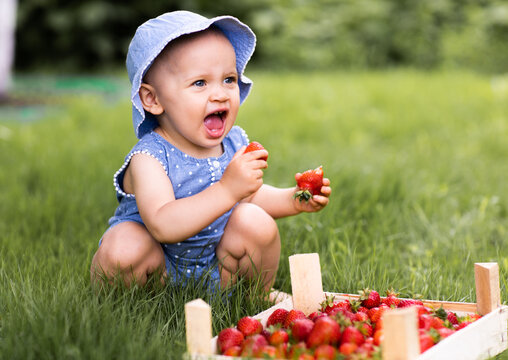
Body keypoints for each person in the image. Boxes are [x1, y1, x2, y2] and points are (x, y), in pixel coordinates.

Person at [90, 10, 331, 291]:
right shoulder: (149, 158)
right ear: (153, 99)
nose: (220, 93)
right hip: (158, 272)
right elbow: (162, 224)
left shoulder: (232, 143)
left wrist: (293, 200)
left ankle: (255, 297)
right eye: (200, 83)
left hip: (218, 270)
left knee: (254, 220)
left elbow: (250, 196)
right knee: (124, 247)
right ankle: (129, 307)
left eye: (229, 79)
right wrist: (227, 190)